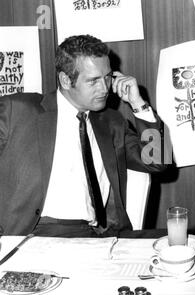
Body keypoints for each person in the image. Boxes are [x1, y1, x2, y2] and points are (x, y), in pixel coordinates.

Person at [0, 34, 166, 237]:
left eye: (107, 77)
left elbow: (158, 162)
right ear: (65, 80)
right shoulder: (17, 111)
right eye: (93, 81)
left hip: (94, 236)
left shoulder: (112, 122)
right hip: (30, 234)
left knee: (182, 241)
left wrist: (139, 104)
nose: (105, 88)